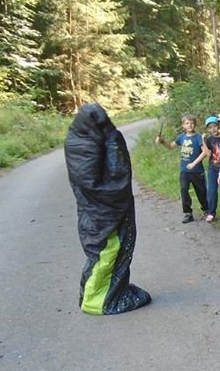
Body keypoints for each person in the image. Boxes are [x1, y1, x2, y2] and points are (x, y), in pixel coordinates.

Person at [64, 103, 151, 315]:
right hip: (103, 215)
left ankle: (101, 292)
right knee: (107, 253)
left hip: (92, 213)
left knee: (102, 254)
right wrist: (113, 141)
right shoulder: (91, 143)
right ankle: (99, 301)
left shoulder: (75, 138)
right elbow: (108, 183)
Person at [155, 114, 208, 223]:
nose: (190, 125)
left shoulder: (198, 137)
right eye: (187, 123)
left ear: (195, 124)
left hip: (197, 171)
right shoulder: (181, 137)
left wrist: (194, 163)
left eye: (192, 123)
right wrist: (162, 141)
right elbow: (170, 146)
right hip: (184, 170)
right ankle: (187, 213)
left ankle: (206, 209)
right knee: (184, 190)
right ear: (183, 125)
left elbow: (205, 152)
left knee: (201, 191)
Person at [202, 115, 220, 222]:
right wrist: (204, 141)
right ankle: (211, 212)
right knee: (212, 190)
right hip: (213, 168)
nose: (213, 129)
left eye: (215, 126)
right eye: (210, 127)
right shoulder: (209, 140)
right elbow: (208, 153)